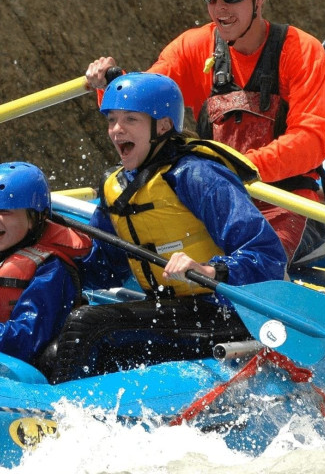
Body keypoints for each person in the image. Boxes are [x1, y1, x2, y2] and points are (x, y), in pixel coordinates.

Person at [84, 0, 325, 263]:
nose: (220, 7)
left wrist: (230, 168)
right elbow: (143, 103)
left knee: (251, 263)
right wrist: (109, 85)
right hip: (215, 199)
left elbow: (312, 141)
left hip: (287, 202)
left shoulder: (301, 50)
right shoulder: (192, 48)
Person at [50, 73, 287, 384]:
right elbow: (103, 266)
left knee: (86, 325)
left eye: (131, 119)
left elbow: (266, 254)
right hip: (171, 312)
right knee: (71, 349)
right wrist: (42, 254)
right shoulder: (116, 187)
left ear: (162, 126)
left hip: (224, 312)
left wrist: (211, 270)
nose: (116, 130)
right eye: (112, 120)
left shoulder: (197, 175)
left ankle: (56, 416)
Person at [0, 162, 92, 373]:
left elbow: (28, 337)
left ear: (33, 218)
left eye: (4, 210)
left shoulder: (50, 269)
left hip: (24, 368)